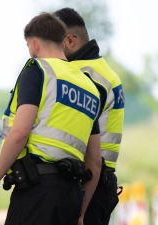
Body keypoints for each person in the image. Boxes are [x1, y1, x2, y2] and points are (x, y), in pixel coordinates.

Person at [0, 12, 102, 225]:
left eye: (28, 45)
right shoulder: (90, 88)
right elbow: (95, 162)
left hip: (38, 191)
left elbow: (19, 133)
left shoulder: (38, 71)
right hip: (72, 194)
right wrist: (80, 213)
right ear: (62, 43)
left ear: (35, 43)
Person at [54, 7, 125, 225]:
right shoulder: (105, 72)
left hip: (87, 181)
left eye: (54, 43)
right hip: (102, 180)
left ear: (69, 40)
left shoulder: (81, 75)